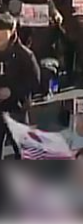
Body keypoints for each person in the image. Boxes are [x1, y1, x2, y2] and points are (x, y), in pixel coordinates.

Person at [0, 13, 40, 159]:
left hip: (16, 109)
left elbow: (34, 82)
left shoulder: (25, 55)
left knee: (23, 152)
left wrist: (12, 91)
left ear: (12, 31)